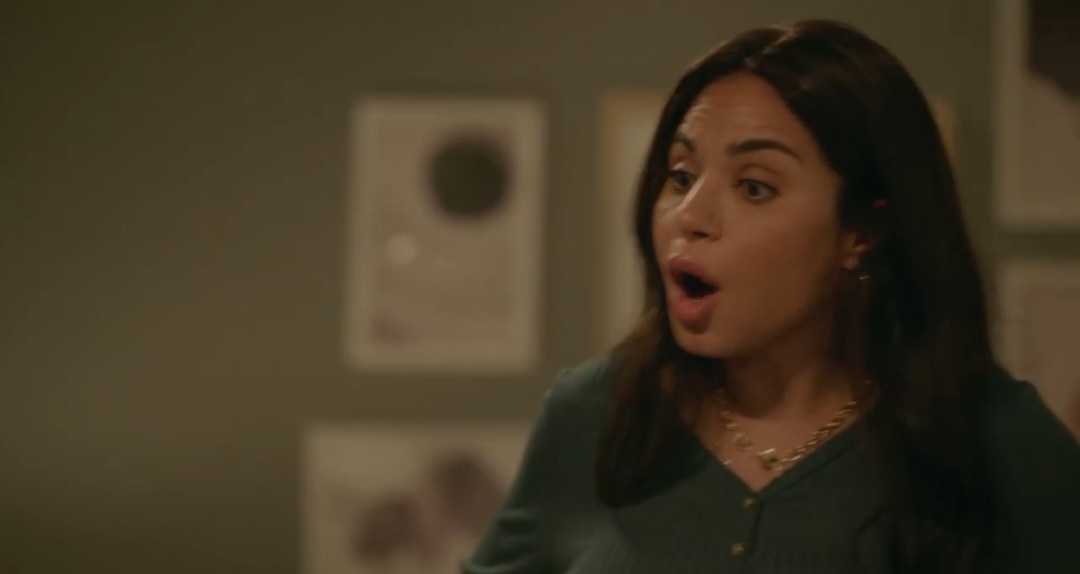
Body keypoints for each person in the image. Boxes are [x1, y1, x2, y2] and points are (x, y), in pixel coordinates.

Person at [461, 19, 1080, 574]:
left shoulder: (997, 444)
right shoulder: (594, 414)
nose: (690, 215)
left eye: (754, 187)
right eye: (680, 176)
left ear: (862, 233)